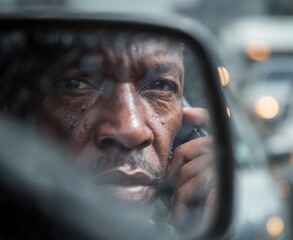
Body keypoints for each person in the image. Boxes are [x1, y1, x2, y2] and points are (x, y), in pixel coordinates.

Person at [0, 30, 216, 232]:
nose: (131, 130)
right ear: (12, 111)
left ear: (185, 123)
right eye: (76, 84)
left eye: (160, 86)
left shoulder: (189, 215)